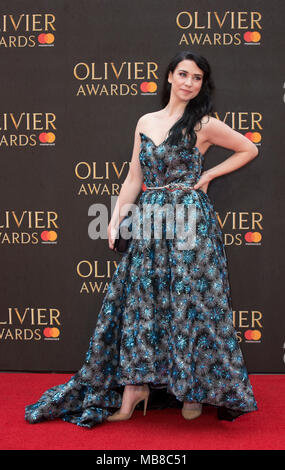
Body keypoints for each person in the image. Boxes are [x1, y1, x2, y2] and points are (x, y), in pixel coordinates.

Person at [25, 51, 258, 428]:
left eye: (197, 78)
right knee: (141, 303)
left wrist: (209, 175)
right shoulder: (145, 121)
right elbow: (135, 176)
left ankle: (192, 390)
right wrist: (117, 219)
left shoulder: (204, 124)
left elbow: (250, 148)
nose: (188, 82)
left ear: (202, 85)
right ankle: (136, 389)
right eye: (183, 74)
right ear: (169, 77)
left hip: (189, 223)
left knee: (191, 303)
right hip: (150, 221)